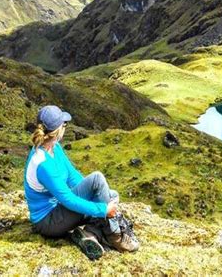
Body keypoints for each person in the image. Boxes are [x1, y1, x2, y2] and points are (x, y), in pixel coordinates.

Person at [23, 105, 139, 259]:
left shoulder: (54, 147)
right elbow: (68, 200)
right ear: (59, 129)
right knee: (99, 183)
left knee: (111, 195)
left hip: (60, 209)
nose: (66, 126)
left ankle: (90, 234)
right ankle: (114, 235)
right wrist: (103, 210)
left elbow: (72, 176)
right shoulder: (42, 163)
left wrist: (96, 195)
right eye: (65, 124)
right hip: (49, 222)